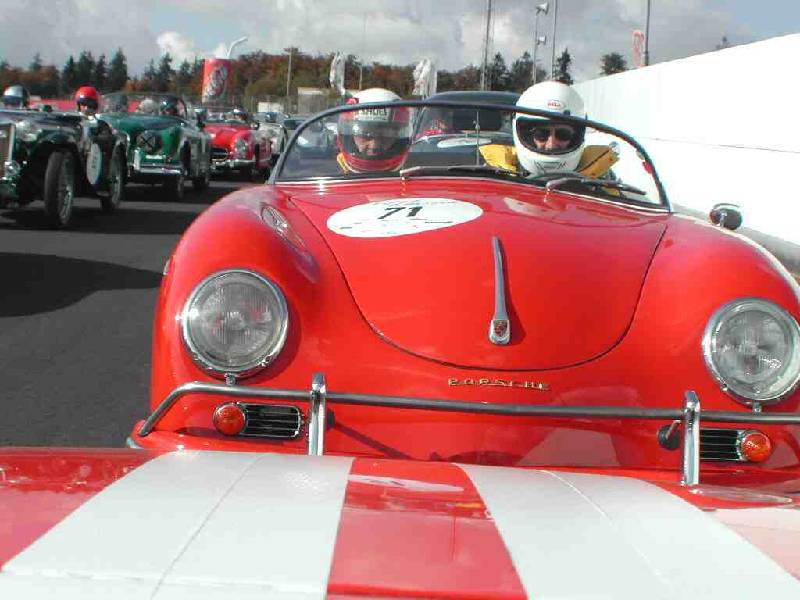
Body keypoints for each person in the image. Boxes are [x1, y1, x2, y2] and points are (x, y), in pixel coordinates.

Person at [480, 81, 617, 179]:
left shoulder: (600, 176)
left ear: (576, 136)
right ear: (527, 135)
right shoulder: (496, 173)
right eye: (541, 134)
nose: (551, 144)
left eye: (563, 135)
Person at [336, 88, 411, 173]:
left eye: (385, 134)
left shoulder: (415, 172)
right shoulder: (328, 177)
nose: (374, 145)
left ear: (398, 138)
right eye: (365, 134)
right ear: (350, 136)